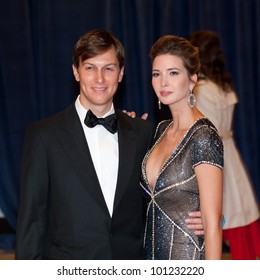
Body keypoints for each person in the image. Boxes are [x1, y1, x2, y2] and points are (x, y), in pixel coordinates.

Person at [15, 29, 203, 260]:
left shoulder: (144, 132)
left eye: (109, 68)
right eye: (90, 68)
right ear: (76, 72)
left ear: (121, 73)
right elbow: (31, 224)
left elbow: (173, 189)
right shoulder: (43, 136)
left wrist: (208, 217)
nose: (100, 79)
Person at [140, 35, 224, 260]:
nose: (163, 82)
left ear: (192, 79)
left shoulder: (204, 136)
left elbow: (214, 225)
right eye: (157, 74)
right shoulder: (159, 130)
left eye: (173, 73)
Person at [188, 30, 260, 260]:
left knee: (217, 213)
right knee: (237, 210)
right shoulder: (223, 85)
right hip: (229, 152)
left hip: (214, 155)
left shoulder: (202, 89)